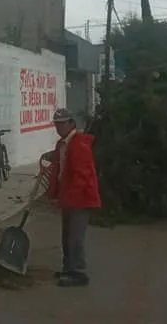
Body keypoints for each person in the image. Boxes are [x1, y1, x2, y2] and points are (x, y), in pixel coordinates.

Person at [46, 108, 101, 287]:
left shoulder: (79, 145)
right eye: (56, 124)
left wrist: (72, 196)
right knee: (66, 235)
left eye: (62, 124)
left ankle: (78, 272)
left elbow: (82, 175)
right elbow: (58, 171)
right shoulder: (62, 145)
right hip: (68, 197)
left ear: (71, 124)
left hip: (81, 199)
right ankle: (68, 268)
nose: (59, 127)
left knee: (75, 237)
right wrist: (53, 194)